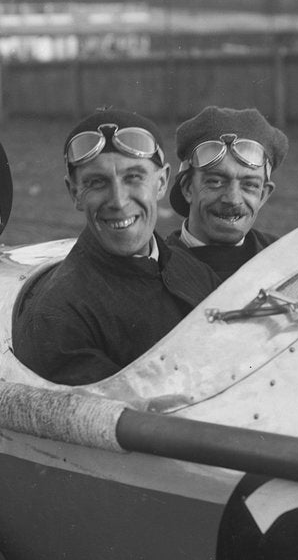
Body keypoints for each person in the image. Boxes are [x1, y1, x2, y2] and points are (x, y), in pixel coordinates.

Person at [13, 108, 221, 385]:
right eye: (97, 182)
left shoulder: (197, 272)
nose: (119, 201)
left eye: (134, 177)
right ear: (75, 193)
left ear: (161, 183)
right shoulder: (58, 318)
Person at [165, 106, 289, 281]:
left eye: (249, 185)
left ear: (263, 195)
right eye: (216, 181)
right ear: (187, 188)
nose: (232, 199)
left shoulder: (289, 263)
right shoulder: (156, 269)